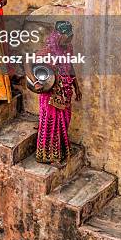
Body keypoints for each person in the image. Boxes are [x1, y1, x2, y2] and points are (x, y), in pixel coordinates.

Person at [29, 21, 82, 167]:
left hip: (65, 92)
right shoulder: (48, 50)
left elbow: (70, 67)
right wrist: (35, 82)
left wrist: (76, 87)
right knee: (51, 124)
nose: (70, 39)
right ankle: (48, 156)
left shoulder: (68, 48)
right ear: (59, 35)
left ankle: (60, 151)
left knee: (64, 121)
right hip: (50, 93)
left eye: (71, 36)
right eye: (67, 37)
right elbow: (28, 63)